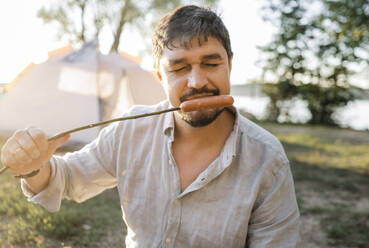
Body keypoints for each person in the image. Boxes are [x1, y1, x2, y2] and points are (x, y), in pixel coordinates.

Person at [1, 5, 299, 247]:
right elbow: (64, 180)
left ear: (230, 65)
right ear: (159, 75)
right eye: (179, 68)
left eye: (210, 63)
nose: (197, 82)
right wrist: (34, 166)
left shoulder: (267, 158)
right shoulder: (129, 132)